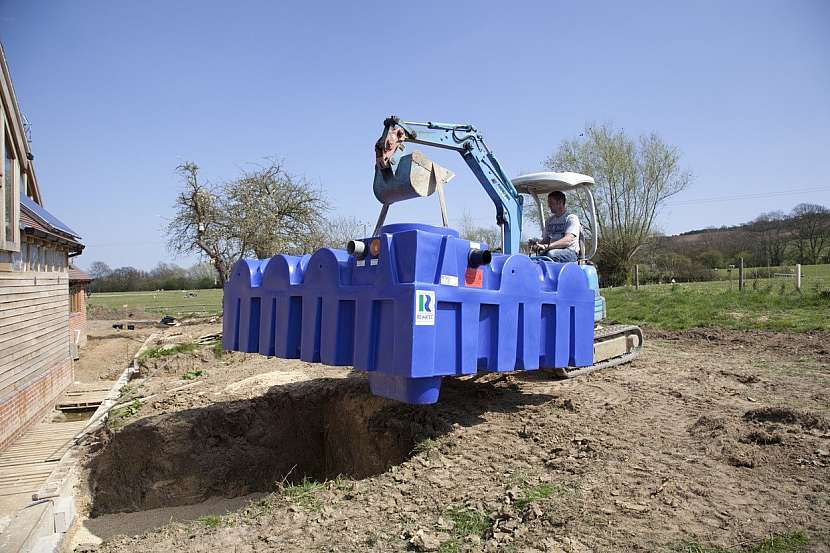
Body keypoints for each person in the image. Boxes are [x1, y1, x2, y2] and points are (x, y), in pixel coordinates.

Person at [532, 191, 580, 262]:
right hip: (551, 250)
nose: (549, 206)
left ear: (560, 203)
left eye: (551, 203)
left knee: (550, 254)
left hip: (570, 252)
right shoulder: (549, 221)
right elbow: (546, 239)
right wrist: (538, 245)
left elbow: (567, 241)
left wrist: (547, 246)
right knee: (532, 259)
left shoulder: (571, 218)